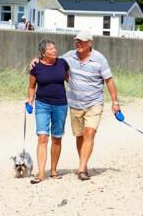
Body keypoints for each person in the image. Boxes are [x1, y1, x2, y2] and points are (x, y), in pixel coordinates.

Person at [30, 30, 121, 181]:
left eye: (82, 41)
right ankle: (82, 164)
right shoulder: (68, 57)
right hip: (74, 104)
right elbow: (51, 60)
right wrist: (36, 59)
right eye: (77, 41)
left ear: (90, 43)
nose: (78, 44)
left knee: (89, 133)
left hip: (94, 102)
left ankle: (81, 169)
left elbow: (109, 81)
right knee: (79, 136)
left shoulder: (100, 59)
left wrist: (115, 102)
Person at [26, 39, 69, 184]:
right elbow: (32, 86)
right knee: (42, 137)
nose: (55, 50)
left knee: (57, 138)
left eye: (55, 47)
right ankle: (41, 173)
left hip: (60, 105)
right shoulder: (36, 66)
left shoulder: (62, 63)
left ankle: (54, 170)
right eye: (51, 48)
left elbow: (71, 80)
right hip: (42, 104)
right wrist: (30, 99)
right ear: (44, 53)